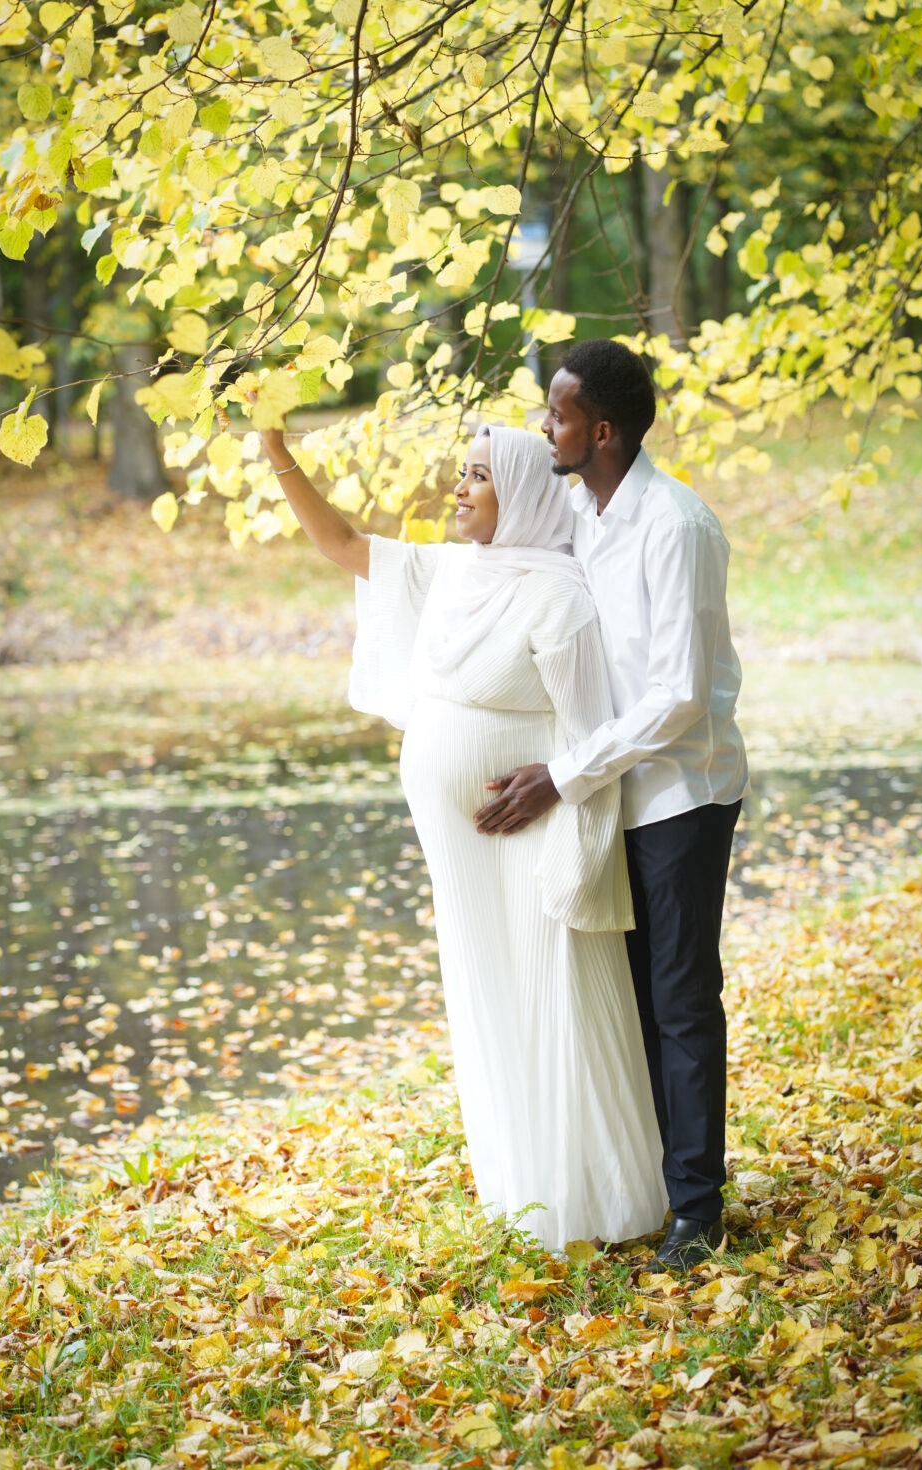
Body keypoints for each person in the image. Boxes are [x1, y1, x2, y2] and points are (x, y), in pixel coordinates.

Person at [246, 406, 667, 1252]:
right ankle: (523, 1191)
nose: (460, 486)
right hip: (462, 851)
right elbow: (337, 543)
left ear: (518, 490)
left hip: (532, 840)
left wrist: (562, 815)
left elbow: (590, 737)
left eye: (478, 474)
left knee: (557, 999)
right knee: (489, 999)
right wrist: (274, 451)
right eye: (464, 471)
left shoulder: (558, 597)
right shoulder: (451, 572)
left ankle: (599, 1201)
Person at [474, 340, 748, 1271]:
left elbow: (675, 695)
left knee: (678, 1000)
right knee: (629, 997)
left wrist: (561, 773)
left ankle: (698, 1211)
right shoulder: (581, 513)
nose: (541, 426)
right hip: (610, 794)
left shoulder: (675, 525)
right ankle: (658, 1184)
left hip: (680, 791)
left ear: (602, 430)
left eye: (554, 413)